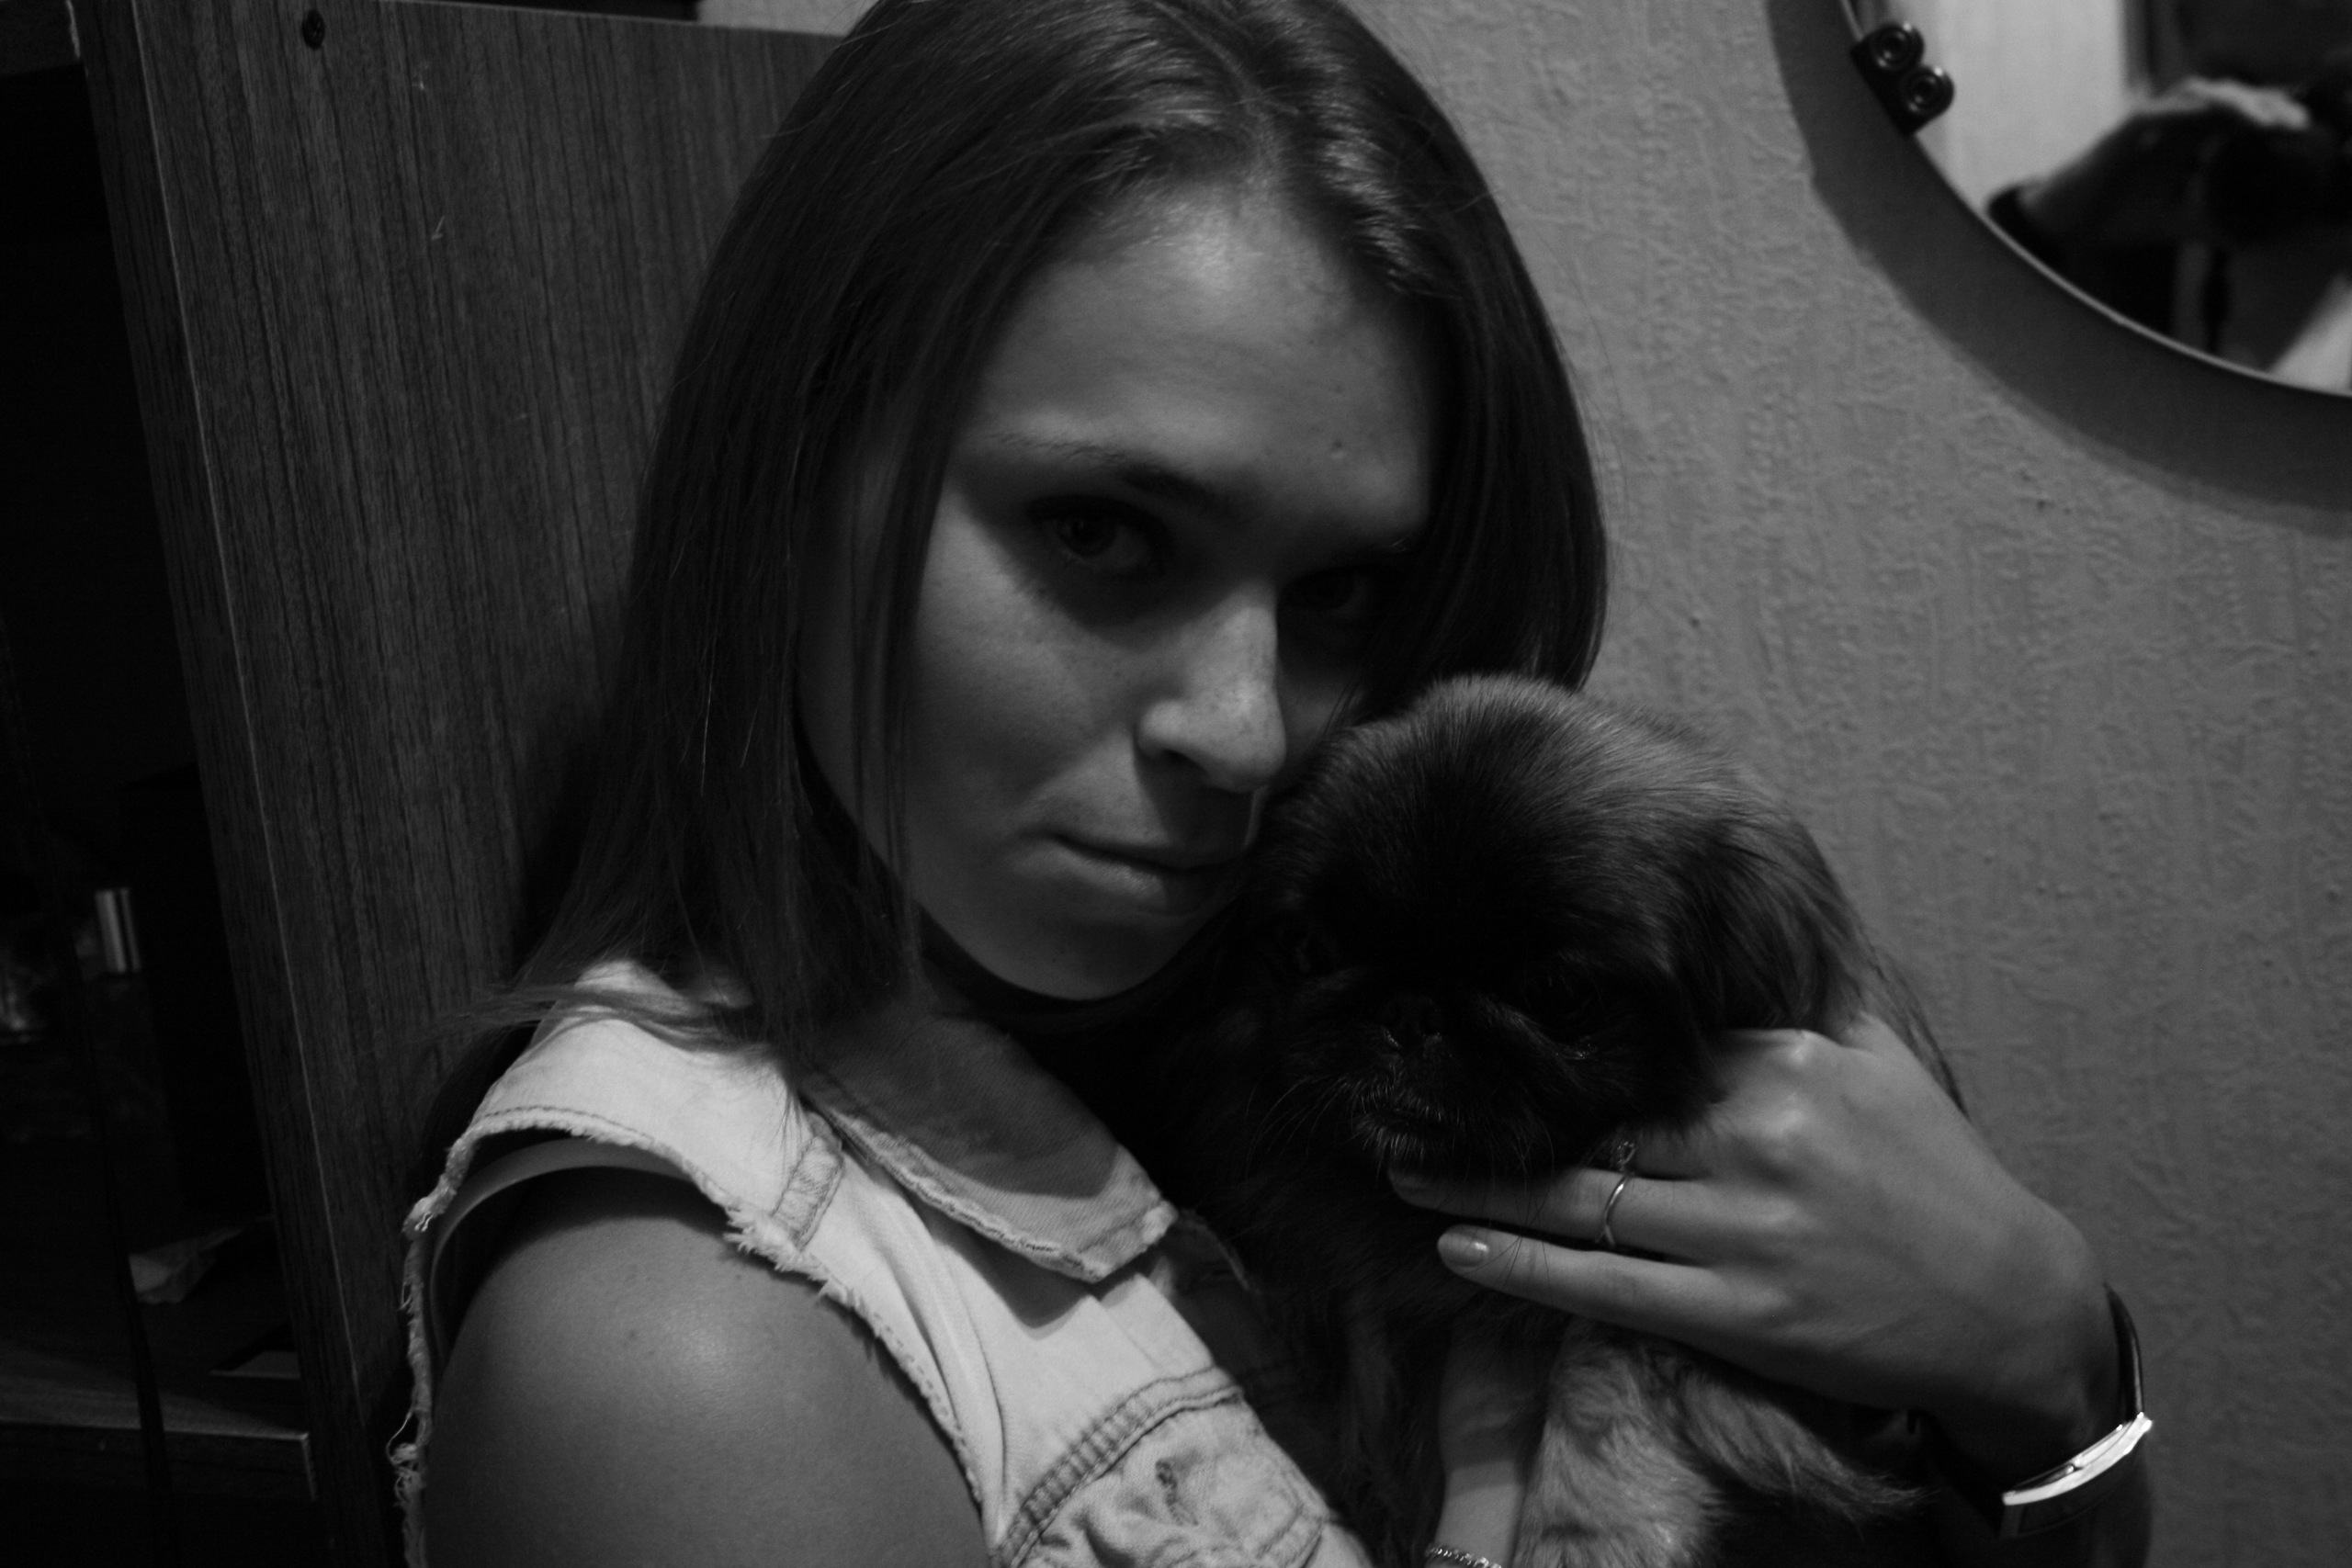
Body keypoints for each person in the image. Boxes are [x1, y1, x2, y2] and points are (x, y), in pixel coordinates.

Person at [401, 2, 2154, 1564]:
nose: (1247, 732)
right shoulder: (689, 1356)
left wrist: (2056, 1379)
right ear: (788, 484)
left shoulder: (1236, 987)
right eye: (1101, 534)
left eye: (1344, 594)